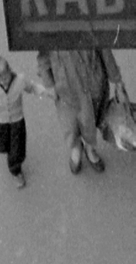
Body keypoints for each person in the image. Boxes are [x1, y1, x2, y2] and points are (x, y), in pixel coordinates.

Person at [36, 47, 123, 175]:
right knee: (70, 127)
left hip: (93, 88)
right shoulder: (49, 31)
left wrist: (117, 81)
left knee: (91, 123)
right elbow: (43, 59)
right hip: (66, 91)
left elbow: (105, 52)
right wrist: (49, 85)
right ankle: (76, 148)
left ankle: (90, 148)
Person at [0, 54, 40, 189]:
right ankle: (10, 153)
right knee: (1, 145)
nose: (4, 82)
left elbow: (33, 88)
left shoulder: (20, 80)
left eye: (6, 77)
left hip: (17, 121)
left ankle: (15, 170)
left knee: (17, 150)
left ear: (9, 71)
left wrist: (48, 92)